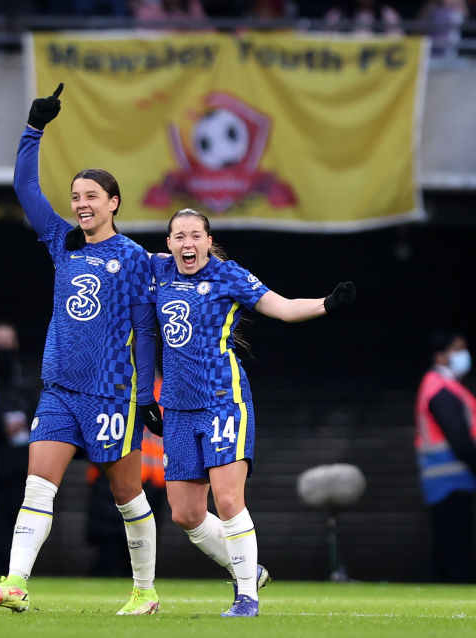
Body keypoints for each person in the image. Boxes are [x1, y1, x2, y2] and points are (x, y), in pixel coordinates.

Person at [0, 83, 162, 615]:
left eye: (90, 197)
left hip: (111, 395)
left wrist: (146, 392)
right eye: (76, 197)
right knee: (38, 488)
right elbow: (23, 185)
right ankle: (15, 584)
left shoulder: (136, 259)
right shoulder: (61, 242)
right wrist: (34, 129)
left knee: (128, 498)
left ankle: (145, 591)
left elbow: (147, 331)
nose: (80, 205)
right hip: (59, 391)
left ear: (114, 204)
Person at [150, 207, 356, 617]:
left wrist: (326, 305)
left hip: (223, 400)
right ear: (169, 243)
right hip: (176, 407)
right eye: (179, 236)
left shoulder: (228, 275)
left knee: (227, 500)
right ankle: (248, 569)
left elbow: (281, 307)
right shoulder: (156, 270)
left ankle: (246, 596)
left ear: (209, 241)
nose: (187, 244)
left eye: (195, 236)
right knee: (185, 513)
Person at [415, 331, 476, 584]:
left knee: (447, 549)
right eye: (457, 349)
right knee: (455, 551)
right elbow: (459, 438)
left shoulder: (446, 387)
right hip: (449, 481)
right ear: (440, 356)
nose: (464, 355)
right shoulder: (440, 389)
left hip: (453, 481)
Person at [0, 320, 36, 576]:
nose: (6, 350)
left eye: (10, 343)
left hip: (19, 470)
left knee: (18, 525)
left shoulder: (25, 385)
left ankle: (13, 575)